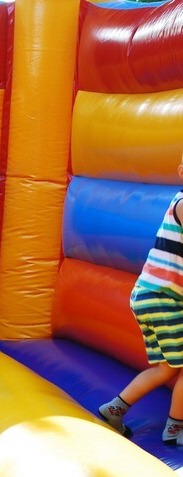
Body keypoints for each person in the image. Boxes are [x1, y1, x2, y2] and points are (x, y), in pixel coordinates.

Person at [99, 160, 183, 445]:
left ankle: (115, 408)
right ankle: (176, 428)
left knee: (168, 368)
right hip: (163, 298)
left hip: (153, 296)